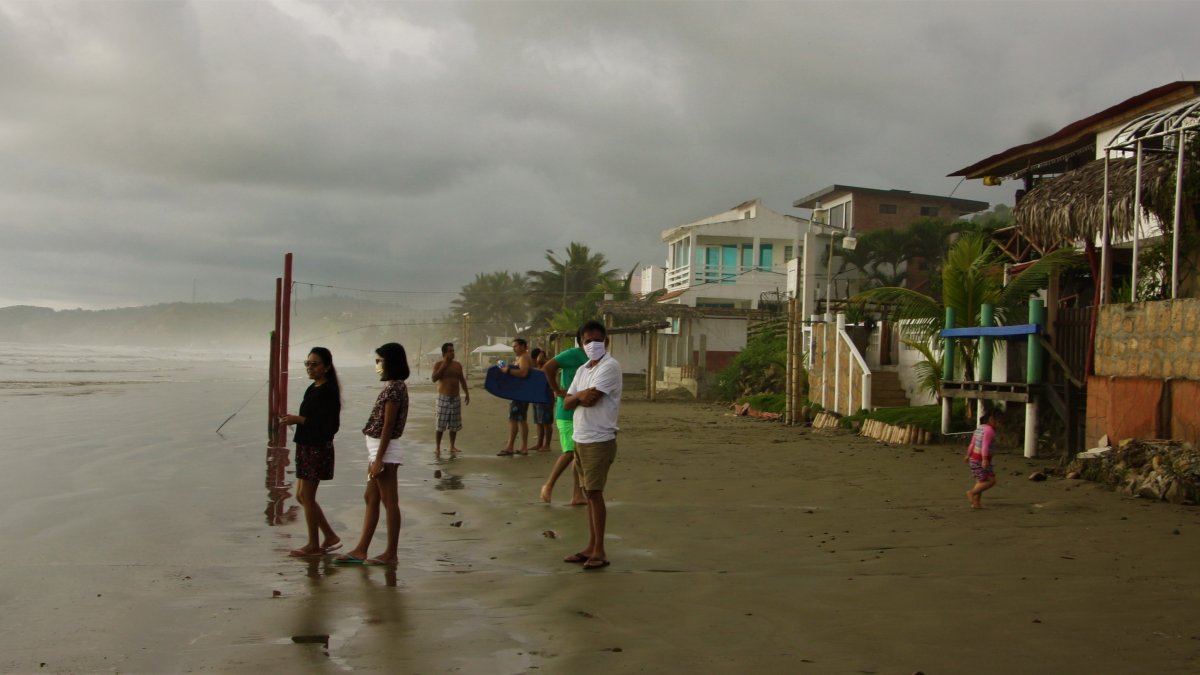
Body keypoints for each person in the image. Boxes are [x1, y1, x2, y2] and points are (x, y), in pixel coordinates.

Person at [336, 343, 409, 566]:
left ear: (390, 362)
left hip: (384, 452)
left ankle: (391, 553)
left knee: (389, 501)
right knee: (371, 498)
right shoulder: (392, 386)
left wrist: (379, 459)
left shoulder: (394, 389)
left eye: (380, 361)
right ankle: (361, 549)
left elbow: (388, 425)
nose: (377, 365)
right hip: (377, 450)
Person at [562, 320, 622, 570]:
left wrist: (576, 397)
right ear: (581, 343)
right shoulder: (583, 369)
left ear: (606, 342)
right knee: (588, 493)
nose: (593, 344)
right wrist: (577, 396)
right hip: (581, 436)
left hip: (599, 438)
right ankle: (591, 546)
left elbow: (591, 398)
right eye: (588, 340)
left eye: (598, 340)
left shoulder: (610, 366)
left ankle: (600, 551)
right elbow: (568, 402)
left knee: (595, 494)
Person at [279, 347, 342, 557]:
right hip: (305, 445)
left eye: (315, 364)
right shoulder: (313, 388)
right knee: (300, 495)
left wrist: (299, 420)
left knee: (307, 496)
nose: (310, 368)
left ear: (326, 367)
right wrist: (296, 420)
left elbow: (330, 425)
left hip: (317, 448)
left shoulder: (329, 391)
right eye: (307, 364)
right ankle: (329, 535)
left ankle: (314, 544)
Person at [539, 336, 588, 506]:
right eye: (588, 340)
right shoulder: (572, 354)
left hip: (583, 413)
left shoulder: (596, 359)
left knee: (578, 455)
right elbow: (548, 367)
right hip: (566, 412)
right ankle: (548, 485)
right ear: (581, 340)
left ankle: (577, 494)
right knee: (569, 452)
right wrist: (557, 389)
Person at [431, 342, 469, 456]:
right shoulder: (438, 364)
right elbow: (434, 378)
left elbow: (462, 380)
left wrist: (467, 393)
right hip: (443, 397)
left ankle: (452, 446)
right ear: (444, 353)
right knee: (440, 424)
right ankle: (437, 447)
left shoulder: (457, 365)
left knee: (454, 424)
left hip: (455, 397)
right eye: (450, 351)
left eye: (453, 351)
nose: (453, 353)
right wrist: (444, 365)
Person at [497, 338, 532, 456]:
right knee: (520, 420)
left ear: (523, 346)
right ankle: (522, 447)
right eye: (513, 347)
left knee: (514, 419)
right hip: (521, 393)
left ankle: (511, 447)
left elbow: (524, 373)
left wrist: (508, 371)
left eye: (516, 346)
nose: (514, 349)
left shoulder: (523, 357)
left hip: (521, 394)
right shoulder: (522, 358)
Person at [965, 406, 1002, 509]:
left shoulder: (980, 428)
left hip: (975, 457)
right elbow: (985, 446)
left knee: (981, 481)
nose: (1000, 424)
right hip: (980, 459)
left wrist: (968, 455)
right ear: (992, 419)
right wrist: (985, 459)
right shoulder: (989, 430)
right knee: (991, 481)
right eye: (999, 421)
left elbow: (972, 443)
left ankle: (976, 503)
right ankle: (971, 493)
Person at [529, 348, 555, 452]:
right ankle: (539, 444)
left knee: (546, 422)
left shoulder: (549, 365)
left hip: (546, 396)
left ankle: (547, 445)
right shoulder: (535, 367)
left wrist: (542, 358)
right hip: (537, 396)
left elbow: (544, 366)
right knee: (539, 422)